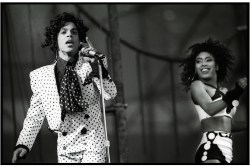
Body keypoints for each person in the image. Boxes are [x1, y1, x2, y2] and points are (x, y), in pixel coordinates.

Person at [12, 12, 117, 163]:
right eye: (64, 32)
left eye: (74, 32)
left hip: (93, 141)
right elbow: (35, 114)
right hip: (66, 147)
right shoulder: (40, 76)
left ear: (80, 40)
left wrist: (95, 65)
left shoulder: (93, 64)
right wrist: (23, 144)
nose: (69, 36)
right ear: (55, 38)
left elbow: (110, 94)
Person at [180, 38, 247, 163]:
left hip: (226, 150)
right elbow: (210, 109)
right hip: (211, 148)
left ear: (217, 66)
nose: (203, 64)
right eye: (198, 62)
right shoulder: (197, 85)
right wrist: (236, 92)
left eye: (208, 60)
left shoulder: (225, 92)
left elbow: (226, 125)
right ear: (195, 68)